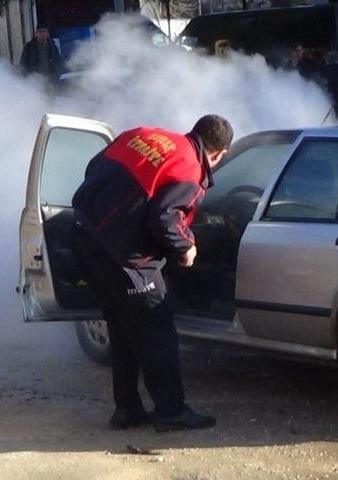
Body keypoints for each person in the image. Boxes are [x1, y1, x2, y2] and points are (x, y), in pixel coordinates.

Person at [71, 115, 233, 432]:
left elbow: (94, 168)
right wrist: (185, 247)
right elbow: (164, 218)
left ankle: (127, 409)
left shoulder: (144, 135)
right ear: (218, 154)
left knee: (123, 325)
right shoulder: (189, 167)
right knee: (157, 330)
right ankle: (171, 412)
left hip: (83, 237)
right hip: (127, 258)